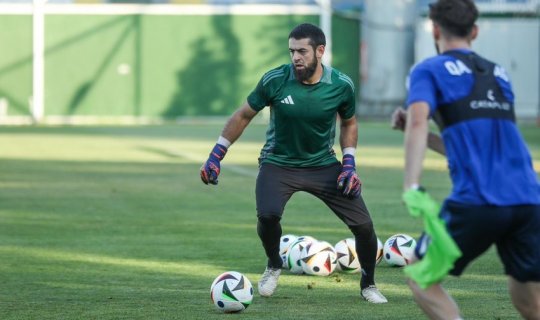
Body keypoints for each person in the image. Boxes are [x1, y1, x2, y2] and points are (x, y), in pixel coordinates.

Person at [200, 23, 387, 304]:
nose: (295, 57)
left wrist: (349, 163)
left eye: (302, 51)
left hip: (323, 165)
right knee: (268, 216)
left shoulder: (341, 85)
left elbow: (349, 122)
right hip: (278, 163)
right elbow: (242, 115)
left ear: (320, 51)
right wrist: (216, 154)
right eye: (292, 51)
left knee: (364, 225)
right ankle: (274, 263)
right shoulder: (274, 80)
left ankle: (368, 284)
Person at [392, 0, 540, 319]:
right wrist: (418, 132)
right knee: (527, 293)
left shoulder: (427, 70)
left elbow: (419, 120)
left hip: (479, 201)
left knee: (420, 274)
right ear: (474, 30)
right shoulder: (498, 73)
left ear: (434, 29)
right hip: (528, 200)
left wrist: (411, 185)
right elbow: (476, 146)